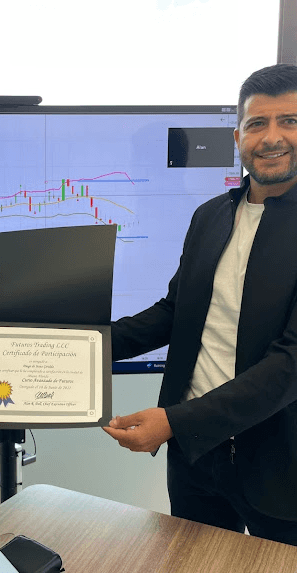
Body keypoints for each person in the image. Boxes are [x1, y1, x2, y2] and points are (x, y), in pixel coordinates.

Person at [104, 63, 297, 546]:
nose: (272, 137)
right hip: (196, 458)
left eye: (290, 121)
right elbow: (176, 313)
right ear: (238, 137)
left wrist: (174, 422)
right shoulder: (211, 216)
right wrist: (84, 349)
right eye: (257, 123)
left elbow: (290, 365)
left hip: (282, 467)